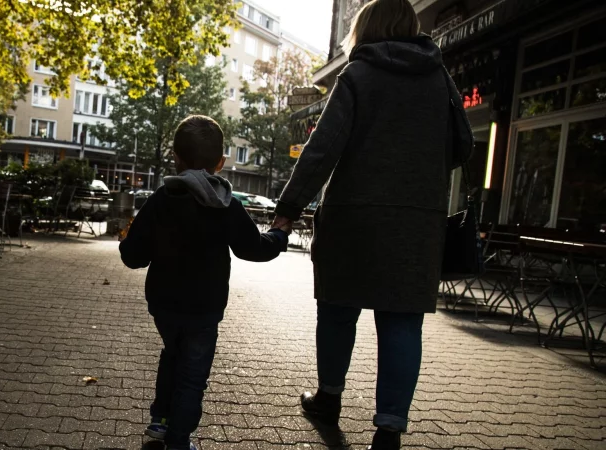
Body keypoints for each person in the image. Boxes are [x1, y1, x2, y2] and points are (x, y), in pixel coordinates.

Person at [271, 0, 472, 449]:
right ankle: (389, 429)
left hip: (354, 218)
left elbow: (324, 148)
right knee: (402, 323)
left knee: (339, 311)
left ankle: (328, 398)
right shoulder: (439, 78)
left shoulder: (358, 75)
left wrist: (289, 208)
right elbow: (464, 144)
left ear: (365, 29)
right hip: (418, 223)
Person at [119, 115, 289, 450]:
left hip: (164, 306)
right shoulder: (226, 205)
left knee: (172, 354)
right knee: (193, 374)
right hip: (204, 309)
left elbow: (133, 256)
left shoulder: (160, 200)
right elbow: (253, 249)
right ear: (221, 164)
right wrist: (279, 235)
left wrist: (130, 239)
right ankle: (180, 441)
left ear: (175, 158)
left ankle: (161, 422)